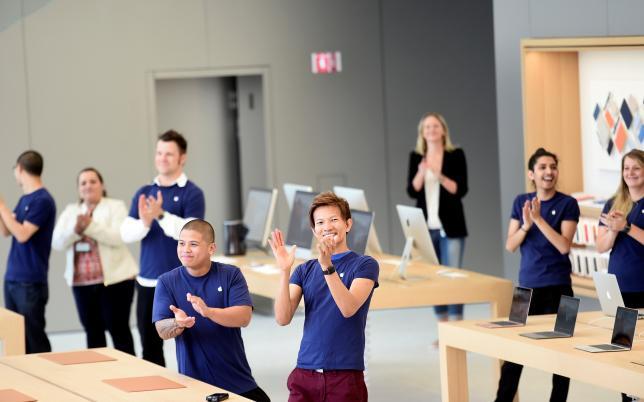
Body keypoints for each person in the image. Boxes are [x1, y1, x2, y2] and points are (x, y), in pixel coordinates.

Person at [270, 191, 379, 402]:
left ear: (348, 224)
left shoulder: (365, 265)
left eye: (334, 220)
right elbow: (282, 318)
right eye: (320, 222)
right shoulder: (304, 270)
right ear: (314, 230)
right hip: (305, 372)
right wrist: (284, 270)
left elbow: (348, 308)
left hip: (345, 375)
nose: (327, 226)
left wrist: (327, 265)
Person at [152, 219, 270, 402]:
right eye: (181, 243)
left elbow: (244, 317)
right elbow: (161, 329)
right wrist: (178, 323)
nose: (185, 249)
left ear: (211, 249)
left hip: (238, 381)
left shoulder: (231, 274)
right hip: (194, 385)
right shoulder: (167, 281)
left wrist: (208, 312)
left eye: (193, 244)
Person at [495, 147, 579, 402]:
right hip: (526, 289)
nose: (549, 172)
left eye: (553, 167)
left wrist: (539, 220)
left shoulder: (568, 203)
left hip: (560, 288)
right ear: (532, 173)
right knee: (514, 355)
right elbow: (510, 245)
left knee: (563, 357)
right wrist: (526, 225)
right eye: (542, 167)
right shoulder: (521, 201)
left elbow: (564, 246)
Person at [120, 130, 205, 366]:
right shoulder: (144, 192)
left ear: (182, 158)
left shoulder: (192, 193)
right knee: (149, 346)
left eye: (169, 154)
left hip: (183, 281)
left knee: (191, 341)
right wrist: (146, 221)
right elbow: (126, 233)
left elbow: (192, 233)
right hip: (148, 282)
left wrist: (160, 214)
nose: (162, 158)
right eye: (159, 153)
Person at [52, 167, 138, 354]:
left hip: (116, 281)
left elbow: (117, 237)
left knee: (119, 330)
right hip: (82, 284)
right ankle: (97, 378)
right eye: (83, 183)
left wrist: (89, 226)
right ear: (78, 189)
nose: (88, 186)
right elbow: (57, 242)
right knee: (93, 333)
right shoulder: (71, 211)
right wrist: (75, 230)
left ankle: (130, 375)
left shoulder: (116, 206)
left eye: (93, 181)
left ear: (102, 185)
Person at [406, 112, 468, 328]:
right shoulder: (416, 157)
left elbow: (460, 190)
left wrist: (439, 174)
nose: (431, 130)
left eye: (435, 126)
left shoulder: (456, 154)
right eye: (427, 127)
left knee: (453, 276)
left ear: (443, 130)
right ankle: (442, 330)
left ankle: (457, 328)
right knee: (433, 277)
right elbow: (412, 191)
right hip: (425, 227)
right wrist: (422, 172)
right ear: (422, 133)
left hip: (451, 226)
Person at [596, 149, 644, 402]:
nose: (630, 173)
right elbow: (601, 246)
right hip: (620, 287)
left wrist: (626, 226)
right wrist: (615, 229)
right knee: (623, 348)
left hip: (643, 288)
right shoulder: (614, 203)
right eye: (626, 168)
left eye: (636, 168)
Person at [0, 150, 56, 353]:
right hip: (13, 278)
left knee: (34, 337)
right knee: (16, 336)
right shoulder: (24, 199)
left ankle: (47, 379)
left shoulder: (42, 200)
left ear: (20, 169)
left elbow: (23, 234)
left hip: (30, 281)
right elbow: (7, 231)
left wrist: (2, 205)